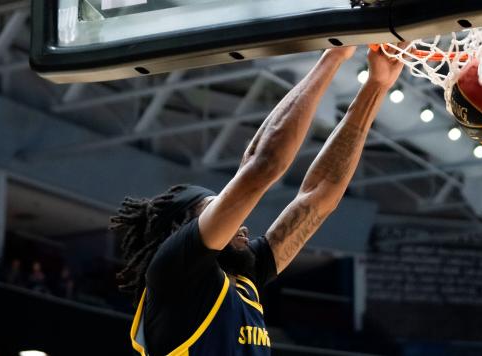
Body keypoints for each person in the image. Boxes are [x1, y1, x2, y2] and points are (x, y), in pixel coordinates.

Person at [111, 45, 405, 356]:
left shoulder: (240, 275)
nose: (242, 223)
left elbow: (319, 196)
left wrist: (377, 86)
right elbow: (263, 166)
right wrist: (332, 56)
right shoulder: (173, 275)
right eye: (216, 208)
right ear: (182, 231)